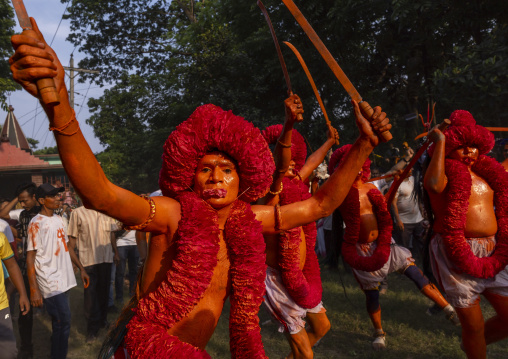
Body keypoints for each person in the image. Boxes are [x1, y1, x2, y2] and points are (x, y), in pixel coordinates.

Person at [10, 18, 391, 358]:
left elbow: (320, 206)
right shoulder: (172, 213)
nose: (215, 177)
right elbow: (102, 194)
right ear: (188, 176)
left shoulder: (249, 219)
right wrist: (59, 108)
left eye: (226, 170)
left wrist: (363, 146)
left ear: (243, 178)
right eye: (205, 169)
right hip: (144, 347)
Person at [331, 145, 459, 350]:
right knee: (372, 296)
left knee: (416, 275)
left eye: (358, 164)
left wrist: (404, 163)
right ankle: (379, 332)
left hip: (385, 243)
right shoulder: (338, 192)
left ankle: (448, 308)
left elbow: (394, 172)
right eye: (349, 165)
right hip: (362, 250)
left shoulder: (372, 187)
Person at [423, 110, 508, 358]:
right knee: (473, 325)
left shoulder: (489, 173)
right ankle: (474, 343)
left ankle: (472, 343)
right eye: (462, 146)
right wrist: (439, 142)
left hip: (494, 250)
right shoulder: (444, 172)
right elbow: (433, 186)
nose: (469, 152)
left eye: (474, 146)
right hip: (455, 251)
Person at [259, 96, 338, 359]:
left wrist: (329, 142)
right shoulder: (269, 190)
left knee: (323, 327)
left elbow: (311, 164)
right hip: (275, 278)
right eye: (287, 158)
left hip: (301, 273)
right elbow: (282, 166)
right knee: (307, 353)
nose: (294, 164)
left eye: (296, 159)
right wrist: (289, 124)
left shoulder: (295, 182)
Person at [26, 183, 89, 359]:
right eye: (52, 196)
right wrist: (33, 289)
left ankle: (58, 353)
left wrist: (81, 268)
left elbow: (68, 246)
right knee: (64, 320)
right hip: (49, 280)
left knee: (61, 323)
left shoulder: (61, 219)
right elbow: (30, 257)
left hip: (65, 278)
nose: (57, 198)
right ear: (41, 200)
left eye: (57, 195)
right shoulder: (35, 223)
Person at [67, 206, 116, 342]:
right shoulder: (77, 213)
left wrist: (116, 252)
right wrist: (73, 262)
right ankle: (92, 329)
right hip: (88, 261)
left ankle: (103, 321)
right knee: (90, 295)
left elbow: (112, 233)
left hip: (106, 258)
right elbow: (71, 239)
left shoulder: (107, 211)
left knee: (104, 292)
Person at [0, 232, 30, 359]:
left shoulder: (1, 238)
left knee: (9, 353)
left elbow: (12, 265)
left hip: (1, 306)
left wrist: (23, 294)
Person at [391, 169, 427, 262]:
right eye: (408, 168)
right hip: (404, 221)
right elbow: (393, 203)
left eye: (411, 168)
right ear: (400, 170)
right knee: (403, 245)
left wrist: (421, 209)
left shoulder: (413, 179)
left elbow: (417, 196)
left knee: (422, 242)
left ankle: (424, 262)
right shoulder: (396, 184)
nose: (411, 170)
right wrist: (398, 220)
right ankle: (404, 265)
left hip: (418, 218)